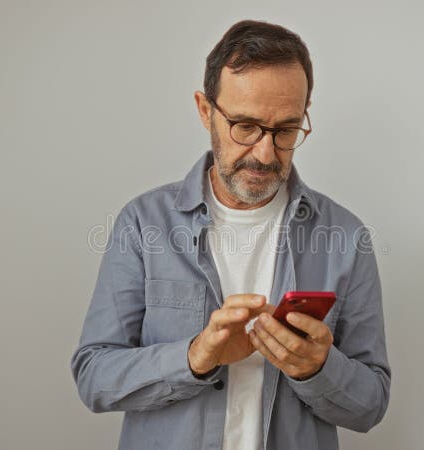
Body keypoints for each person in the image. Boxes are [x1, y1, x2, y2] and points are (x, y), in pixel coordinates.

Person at [70, 19, 391, 450]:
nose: (264, 153)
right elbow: (94, 377)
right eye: (245, 126)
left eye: (286, 130)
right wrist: (194, 357)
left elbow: (371, 404)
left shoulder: (347, 238)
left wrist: (318, 370)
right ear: (206, 111)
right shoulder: (143, 224)